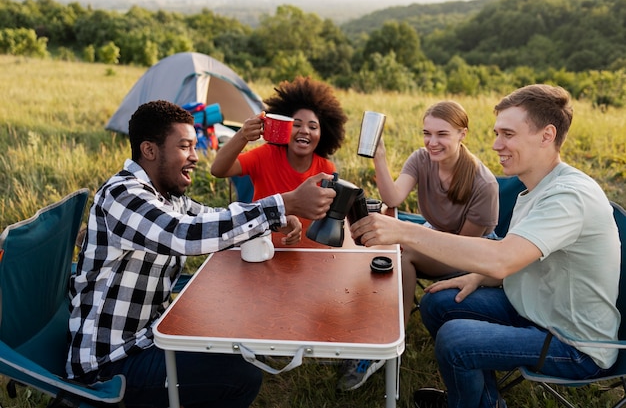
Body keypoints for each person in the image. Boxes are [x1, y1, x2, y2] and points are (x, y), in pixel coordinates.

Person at [349, 84, 621, 408]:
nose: (495, 145)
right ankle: (484, 401)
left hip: (573, 341)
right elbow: (521, 255)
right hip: (534, 306)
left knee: (455, 340)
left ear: (547, 135)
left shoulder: (569, 196)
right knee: (437, 304)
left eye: (508, 134)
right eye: (496, 133)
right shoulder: (534, 188)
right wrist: (479, 276)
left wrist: (404, 231)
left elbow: (503, 259)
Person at [65, 100, 337, 408]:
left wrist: (273, 220)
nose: (195, 157)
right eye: (184, 147)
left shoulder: (166, 196)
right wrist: (283, 204)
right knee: (241, 377)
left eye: (194, 147)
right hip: (109, 362)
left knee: (230, 338)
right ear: (150, 151)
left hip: (150, 336)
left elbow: (212, 217)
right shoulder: (122, 196)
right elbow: (185, 235)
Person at [339, 101, 499, 393]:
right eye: (427, 133)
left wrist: (410, 237)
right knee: (387, 244)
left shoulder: (482, 184)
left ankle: (390, 345)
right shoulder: (422, 159)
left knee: (403, 252)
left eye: (442, 134)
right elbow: (394, 197)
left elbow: (464, 248)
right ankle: (370, 328)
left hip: (472, 255)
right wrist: (380, 158)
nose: (432, 142)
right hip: (433, 236)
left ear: (462, 133)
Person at [210, 75, 347, 226]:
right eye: (296, 124)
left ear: (323, 134)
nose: (304, 131)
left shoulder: (326, 169)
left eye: (313, 127)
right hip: (265, 246)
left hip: (312, 249)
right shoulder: (265, 155)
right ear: (285, 127)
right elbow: (218, 169)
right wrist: (243, 135)